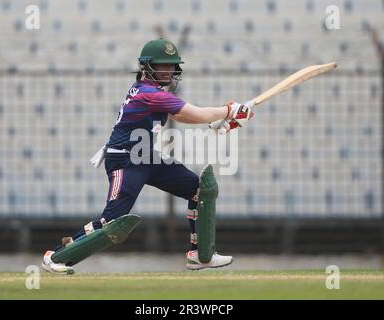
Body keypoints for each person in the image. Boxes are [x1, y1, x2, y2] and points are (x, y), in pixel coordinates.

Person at [42, 39, 253, 274]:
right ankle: (56, 256)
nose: (168, 70)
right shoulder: (148, 94)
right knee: (112, 222)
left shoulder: (153, 93)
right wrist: (230, 110)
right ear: (146, 66)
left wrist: (217, 120)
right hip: (124, 160)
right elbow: (195, 113)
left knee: (200, 190)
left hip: (146, 157)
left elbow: (184, 116)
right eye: (162, 65)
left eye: (171, 66)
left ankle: (200, 255)